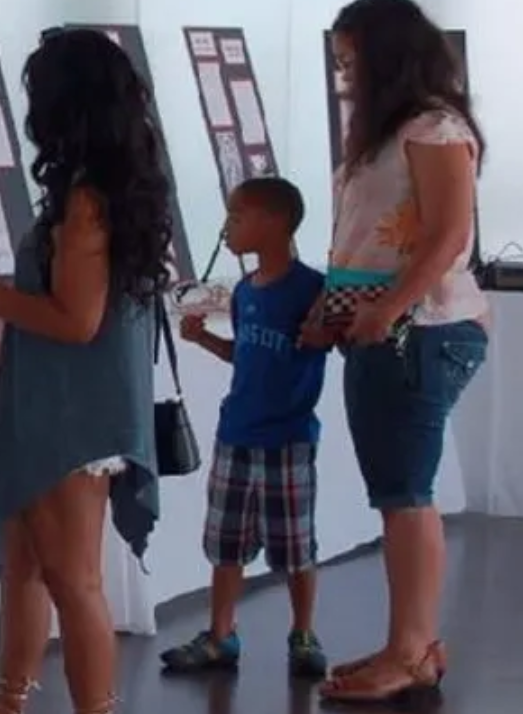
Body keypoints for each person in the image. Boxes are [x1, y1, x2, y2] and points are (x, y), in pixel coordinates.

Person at [0, 28, 171, 714]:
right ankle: (11, 695)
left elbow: (77, 320)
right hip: (62, 406)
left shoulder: (85, 201)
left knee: (72, 576)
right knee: (27, 561)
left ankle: (92, 705)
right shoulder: (112, 190)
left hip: (76, 418)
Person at [314, 0, 487, 705]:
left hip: (421, 328)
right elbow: (364, 233)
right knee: (398, 490)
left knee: (405, 494)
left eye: (352, 61)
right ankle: (410, 643)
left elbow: (449, 234)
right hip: (381, 324)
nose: (345, 75)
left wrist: (389, 305)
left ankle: (410, 651)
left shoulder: (435, 129)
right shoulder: (388, 132)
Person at [156, 177, 330, 679]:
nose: (227, 229)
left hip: (289, 438)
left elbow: (322, 343)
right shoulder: (245, 293)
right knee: (226, 541)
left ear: (273, 223)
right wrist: (205, 339)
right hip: (236, 433)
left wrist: (324, 332)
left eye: (237, 217)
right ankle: (220, 633)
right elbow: (245, 357)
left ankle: (302, 632)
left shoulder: (311, 289)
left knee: (296, 544)